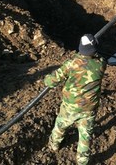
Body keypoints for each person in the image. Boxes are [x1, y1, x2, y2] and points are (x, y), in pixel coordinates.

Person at [44, 34, 107, 165]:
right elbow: (99, 58)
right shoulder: (101, 64)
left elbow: (51, 81)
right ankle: (83, 161)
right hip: (89, 109)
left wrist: (47, 79)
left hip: (70, 106)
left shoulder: (71, 64)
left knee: (61, 125)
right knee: (86, 136)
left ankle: (54, 145)